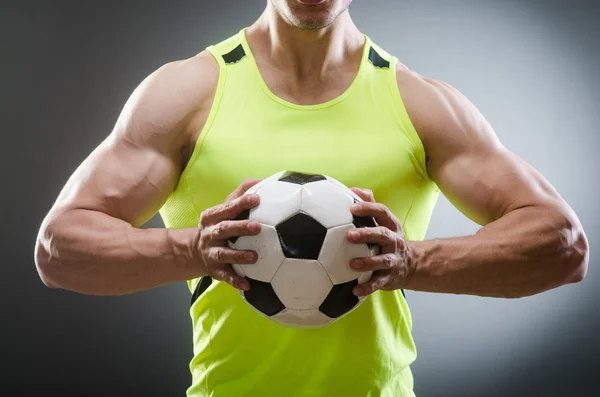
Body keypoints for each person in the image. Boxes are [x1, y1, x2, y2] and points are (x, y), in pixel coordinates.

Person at [34, 0, 589, 396]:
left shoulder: (420, 103)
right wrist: (195, 250)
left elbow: (562, 244)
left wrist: (411, 261)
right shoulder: (186, 94)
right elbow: (59, 250)